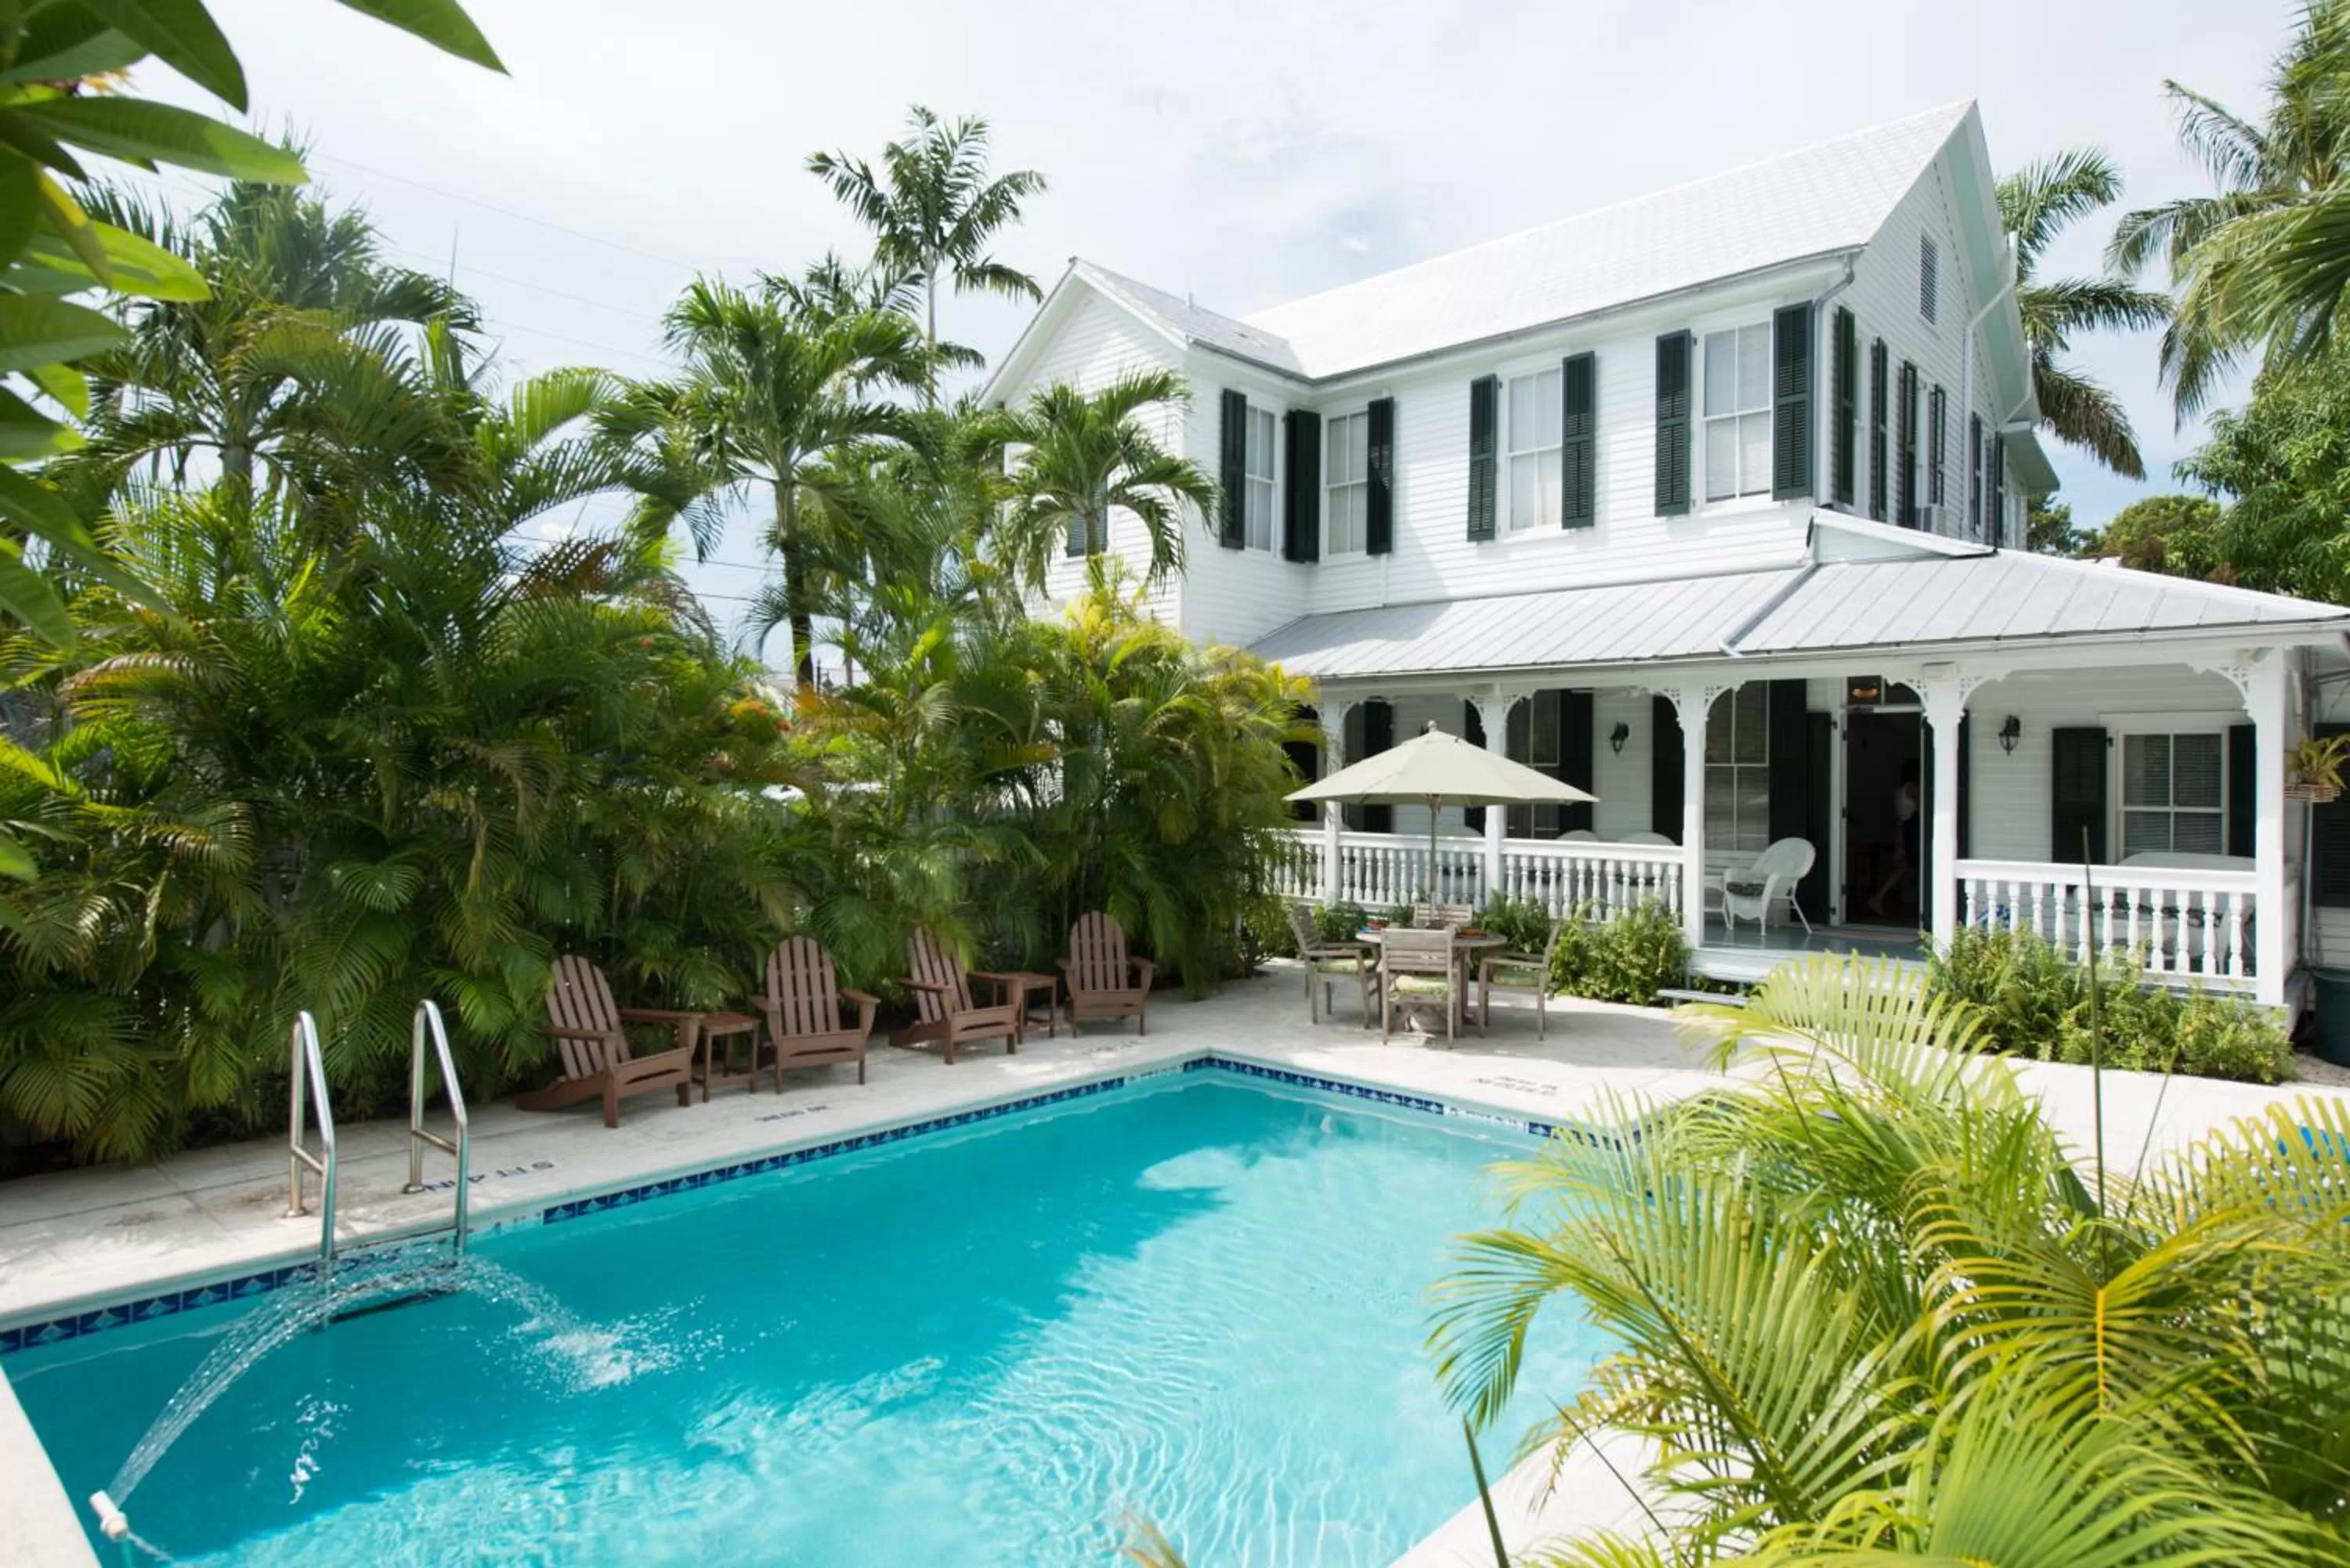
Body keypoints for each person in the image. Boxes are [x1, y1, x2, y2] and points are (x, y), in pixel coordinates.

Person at [1864, 761, 1920, 921]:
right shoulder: (1912, 788)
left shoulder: (1900, 790)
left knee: (1904, 865)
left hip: (1902, 826)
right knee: (1906, 865)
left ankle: (1883, 897)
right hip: (1911, 828)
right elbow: (1922, 807)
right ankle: (1879, 897)